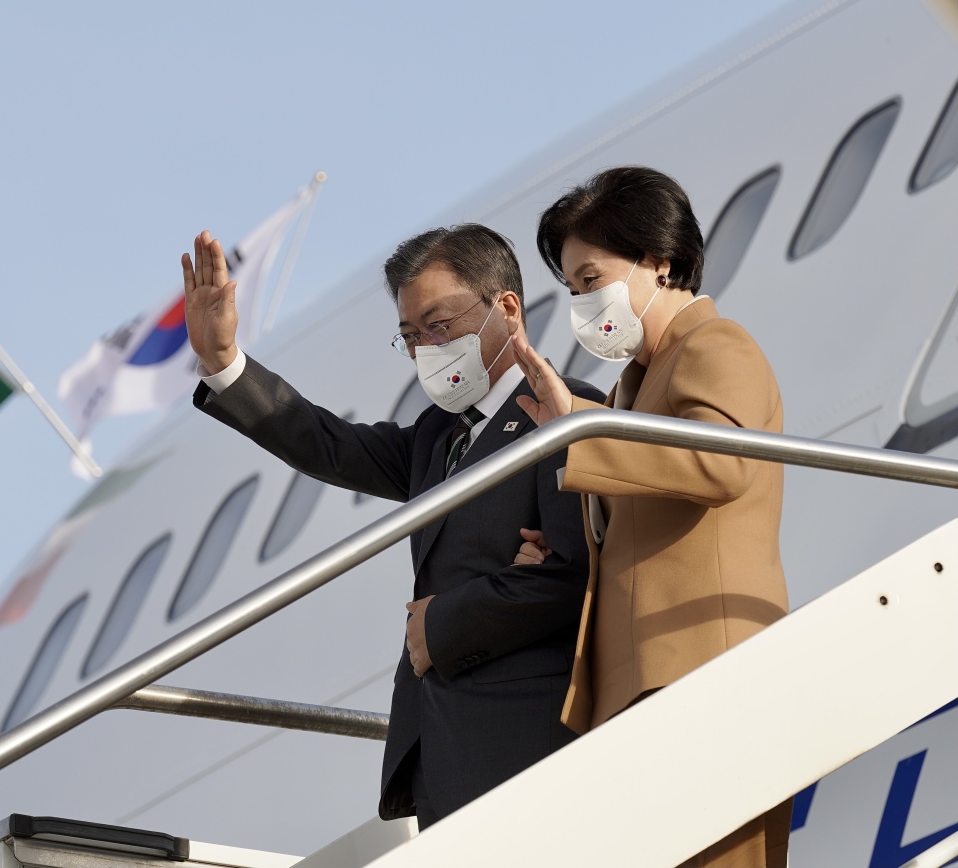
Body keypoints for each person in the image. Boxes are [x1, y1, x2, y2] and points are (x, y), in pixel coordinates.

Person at [181, 224, 602, 828]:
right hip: (442, 752)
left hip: (529, 734)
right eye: (409, 336)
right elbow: (329, 445)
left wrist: (442, 623)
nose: (425, 349)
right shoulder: (435, 436)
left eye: (440, 325)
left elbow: (577, 573)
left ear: (506, 309)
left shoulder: (567, 411)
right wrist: (225, 363)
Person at [510, 166, 791, 867]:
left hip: (704, 666)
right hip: (638, 687)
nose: (582, 302)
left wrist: (584, 426)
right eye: (572, 287)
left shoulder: (716, 346)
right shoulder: (633, 388)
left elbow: (719, 466)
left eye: (591, 278)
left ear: (659, 262)